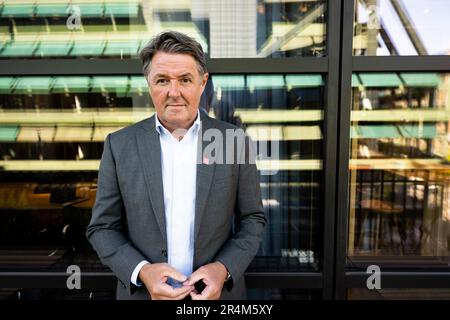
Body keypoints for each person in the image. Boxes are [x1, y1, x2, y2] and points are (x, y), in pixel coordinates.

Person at [86, 31, 266, 300]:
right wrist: (142, 271)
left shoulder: (232, 141)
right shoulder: (119, 145)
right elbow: (102, 228)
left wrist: (223, 269)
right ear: (149, 84)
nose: (174, 92)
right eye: (162, 80)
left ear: (202, 83)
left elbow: (252, 219)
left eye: (185, 80)